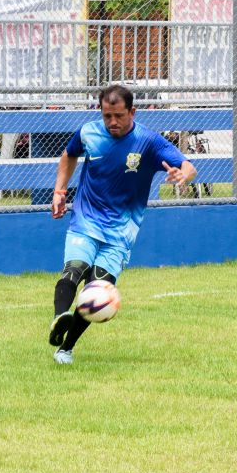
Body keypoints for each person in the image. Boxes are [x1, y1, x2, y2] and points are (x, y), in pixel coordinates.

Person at [48, 84, 197, 365]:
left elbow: (188, 165)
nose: (112, 122)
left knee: (99, 287)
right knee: (75, 269)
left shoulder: (148, 142)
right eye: (107, 116)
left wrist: (182, 175)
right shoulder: (89, 133)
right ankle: (58, 320)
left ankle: (65, 348)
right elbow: (69, 155)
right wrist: (59, 190)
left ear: (132, 112)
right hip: (86, 219)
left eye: (118, 116)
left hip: (121, 231)